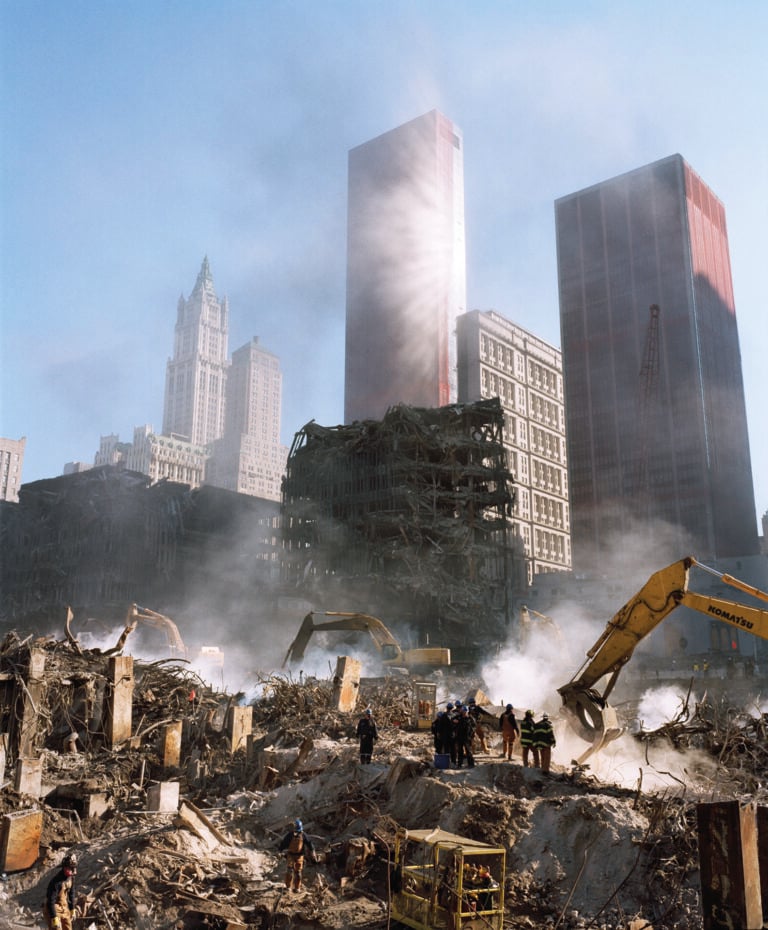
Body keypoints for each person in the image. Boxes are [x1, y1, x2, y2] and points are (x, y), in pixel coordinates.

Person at [279, 819, 316, 892]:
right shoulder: (290, 835)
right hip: (290, 855)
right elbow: (284, 843)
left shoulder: (303, 835)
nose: (297, 833)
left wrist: (313, 851)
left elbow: (309, 843)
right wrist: (280, 850)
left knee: (298, 873)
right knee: (289, 871)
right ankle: (288, 887)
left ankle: (297, 888)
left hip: (300, 856)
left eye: (299, 832)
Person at [43, 853, 77, 930]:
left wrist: (72, 909)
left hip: (64, 907)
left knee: (68, 927)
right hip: (53, 907)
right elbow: (50, 901)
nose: (72, 871)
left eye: (73, 868)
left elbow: (72, 893)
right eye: (69, 868)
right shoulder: (56, 882)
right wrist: (54, 917)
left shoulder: (71, 878)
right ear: (65, 868)